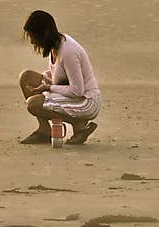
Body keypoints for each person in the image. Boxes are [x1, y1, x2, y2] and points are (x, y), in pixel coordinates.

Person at [18, 10, 102, 145]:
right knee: (26, 77)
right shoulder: (55, 45)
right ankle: (45, 131)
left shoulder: (68, 52)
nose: (33, 42)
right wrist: (42, 85)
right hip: (72, 94)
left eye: (34, 37)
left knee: (33, 104)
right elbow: (58, 75)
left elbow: (77, 91)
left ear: (43, 34)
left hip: (87, 101)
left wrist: (48, 88)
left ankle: (79, 125)